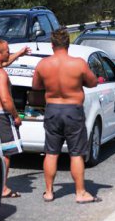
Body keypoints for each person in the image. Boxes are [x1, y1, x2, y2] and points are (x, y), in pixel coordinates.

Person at [32, 28, 101, 203]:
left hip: (52, 109)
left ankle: (48, 192)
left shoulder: (43, 64)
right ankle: (80, 193)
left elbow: (36, 86)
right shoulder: (78, 63)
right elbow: (93, 82)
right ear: (68, 44)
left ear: (52, 45)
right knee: (76, 153)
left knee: (51, 152)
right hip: (73, 110)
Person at [0, 40, 31, 198]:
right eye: (7, 51)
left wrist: (19, 54)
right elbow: (6, 99)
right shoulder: (1, 74)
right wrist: (16, 116)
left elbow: (5, 62)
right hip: (0, 116)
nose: (9, 53)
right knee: (6, 153)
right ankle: (2, 188)